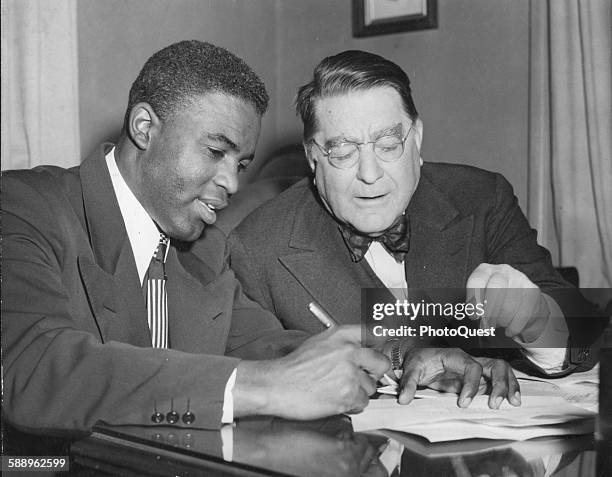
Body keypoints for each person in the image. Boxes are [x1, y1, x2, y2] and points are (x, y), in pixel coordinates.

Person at [1, 41, 394, 443]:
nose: (233, 182)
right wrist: (258, 388)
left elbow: (264, 345)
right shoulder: (21, 206)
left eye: (240, 163)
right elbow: (32, 370)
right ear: (144, 128)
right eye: (215, 151)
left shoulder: (205, 247)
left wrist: (391, 361)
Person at [229, 50, 603, 404]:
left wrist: (535, 319)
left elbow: (588, 335)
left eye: (389, 145)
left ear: (417, 138)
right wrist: (404, 355)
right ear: (313, 158)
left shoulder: (481, 198)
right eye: (343, 153)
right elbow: (261, 363)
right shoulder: (259, 246)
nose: (370, 175)